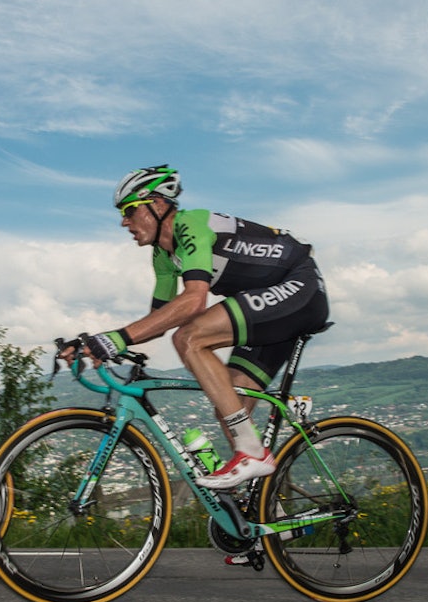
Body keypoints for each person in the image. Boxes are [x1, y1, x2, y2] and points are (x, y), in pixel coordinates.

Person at [74, 165, 330, 489]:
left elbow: (194, 301)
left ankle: (252, 454)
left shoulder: (190, 225)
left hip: (300, 287)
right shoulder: (163, 256)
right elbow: (158, 321)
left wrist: (116, 339)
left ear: (157, 203)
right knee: (229, 407)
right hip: (269, 306)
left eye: (129, 210)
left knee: (190, 338)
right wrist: (92, 344)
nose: (124, 222)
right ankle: (269, 508)